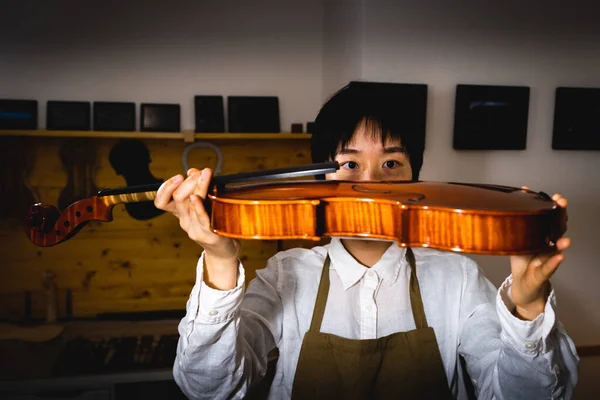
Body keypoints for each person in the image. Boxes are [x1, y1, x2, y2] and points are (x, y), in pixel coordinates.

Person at [155, 82, 579, 399]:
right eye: (349, 163)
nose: (371, 182)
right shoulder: (286, 274)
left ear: (417, 176)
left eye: (391, 162)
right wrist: (221, 258)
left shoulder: (457, 277)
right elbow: (208, 389)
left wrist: (526, 305)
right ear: (321, 176)